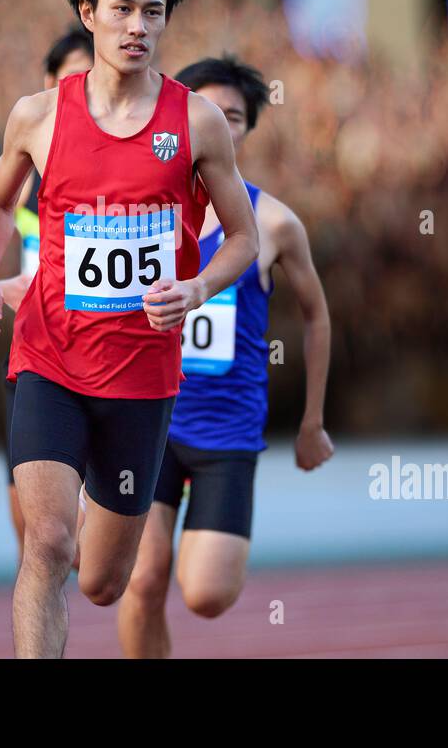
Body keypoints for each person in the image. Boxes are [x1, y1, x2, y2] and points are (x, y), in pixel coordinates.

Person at [0, 0, 258, 658]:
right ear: (88, 13)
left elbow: (244, 239)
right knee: (48, 544)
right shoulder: (40, 115)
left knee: (102, 580)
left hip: (142, 377)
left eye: (153, 14)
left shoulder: (195, 122)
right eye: (123, 10)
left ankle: (107, 520)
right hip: (49, 360)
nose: (138, 27)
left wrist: (196, 287)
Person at [116, 54, 335, 659]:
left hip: (226, 434)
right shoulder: (143, 212)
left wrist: (312, 421)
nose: (217, 122)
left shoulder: (274, 222)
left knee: (205, 594)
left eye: (232, 115)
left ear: (244, 129)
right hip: (147, 424)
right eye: (205, 108)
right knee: (141, 578)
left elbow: (317, 315)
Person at [0, 24, 94, 566]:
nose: (83, 93)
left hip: (105, 359)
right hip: (35, 358)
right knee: (36, 539)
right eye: (71, 80)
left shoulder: (123, 170)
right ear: (48, 83)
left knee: (95, 554)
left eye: (94, 80)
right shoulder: (24, 175)